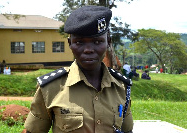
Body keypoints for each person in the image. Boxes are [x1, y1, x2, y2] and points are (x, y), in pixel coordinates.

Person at [24, 5, 133, 133]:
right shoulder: (50, 88)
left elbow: (127, 131)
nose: (88, 50)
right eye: (79, 42)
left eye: (97, 42)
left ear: (108, 42)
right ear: (70, 43)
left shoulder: (121, 87)